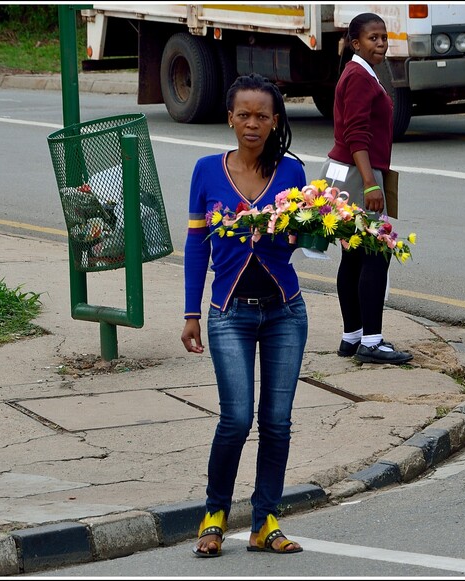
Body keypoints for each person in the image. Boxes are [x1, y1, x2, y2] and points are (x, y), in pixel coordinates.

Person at [182, 73, 307, 557]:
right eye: (244, 115)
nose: (252, 124)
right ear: (229, 117)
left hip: (285, 313)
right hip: (227, 313)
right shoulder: (206, 170)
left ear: (276, 121)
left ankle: (265, 522)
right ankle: (214, 516)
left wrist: (283, 232)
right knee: (235, 419)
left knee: (277, 421)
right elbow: (196, 244)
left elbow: (297, 242)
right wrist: (191, 312)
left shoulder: (292, 172)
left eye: (262, 116)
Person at [319, 12, 413, 365]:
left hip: (345, 173)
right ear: (356, 43)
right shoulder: (359, 76)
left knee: (354, 254)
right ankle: (371, 342)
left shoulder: (359, 71)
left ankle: (352, 337)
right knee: (377, 253)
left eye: (384, 37)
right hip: (359, 176)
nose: (381, 44)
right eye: (373, 38)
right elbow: (356, 135)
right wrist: (372, 184)